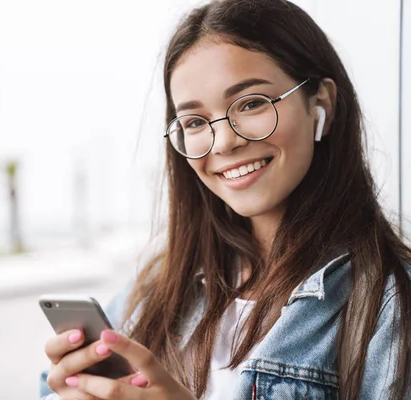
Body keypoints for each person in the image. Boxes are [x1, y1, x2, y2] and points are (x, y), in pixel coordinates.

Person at [39, 0, 411, 398]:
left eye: (251, 103)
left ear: (321, 102)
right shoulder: (160, 287)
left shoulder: (390, 303)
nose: (225, 142)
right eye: (196, 122)